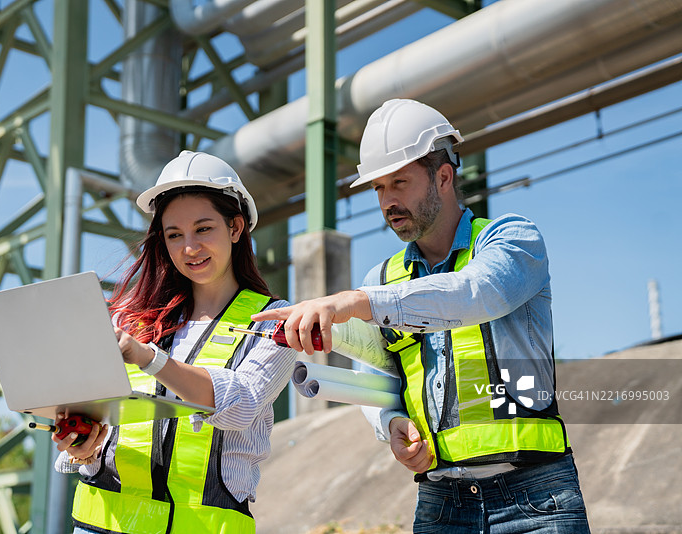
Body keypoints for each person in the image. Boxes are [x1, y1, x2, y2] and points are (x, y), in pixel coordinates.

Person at [252, 99, 591, 533]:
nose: (388, 201)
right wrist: (390, 422)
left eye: (399, 182)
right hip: (441, 502)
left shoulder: (511, 240)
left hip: (536, 496)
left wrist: (357, 302)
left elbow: (474, 293)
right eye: (379, 188)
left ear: (443, 177)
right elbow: (378, 378)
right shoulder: (383, 280)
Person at [52, 150, 296, 534]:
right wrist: (81, 445)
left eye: (203, 229)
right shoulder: (130, 318)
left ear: (235, 228)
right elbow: (98, 421)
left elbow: (242, 404)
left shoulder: (275, 321)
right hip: (101, 524)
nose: (189, 248)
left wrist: (149, 358)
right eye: (174, 235)